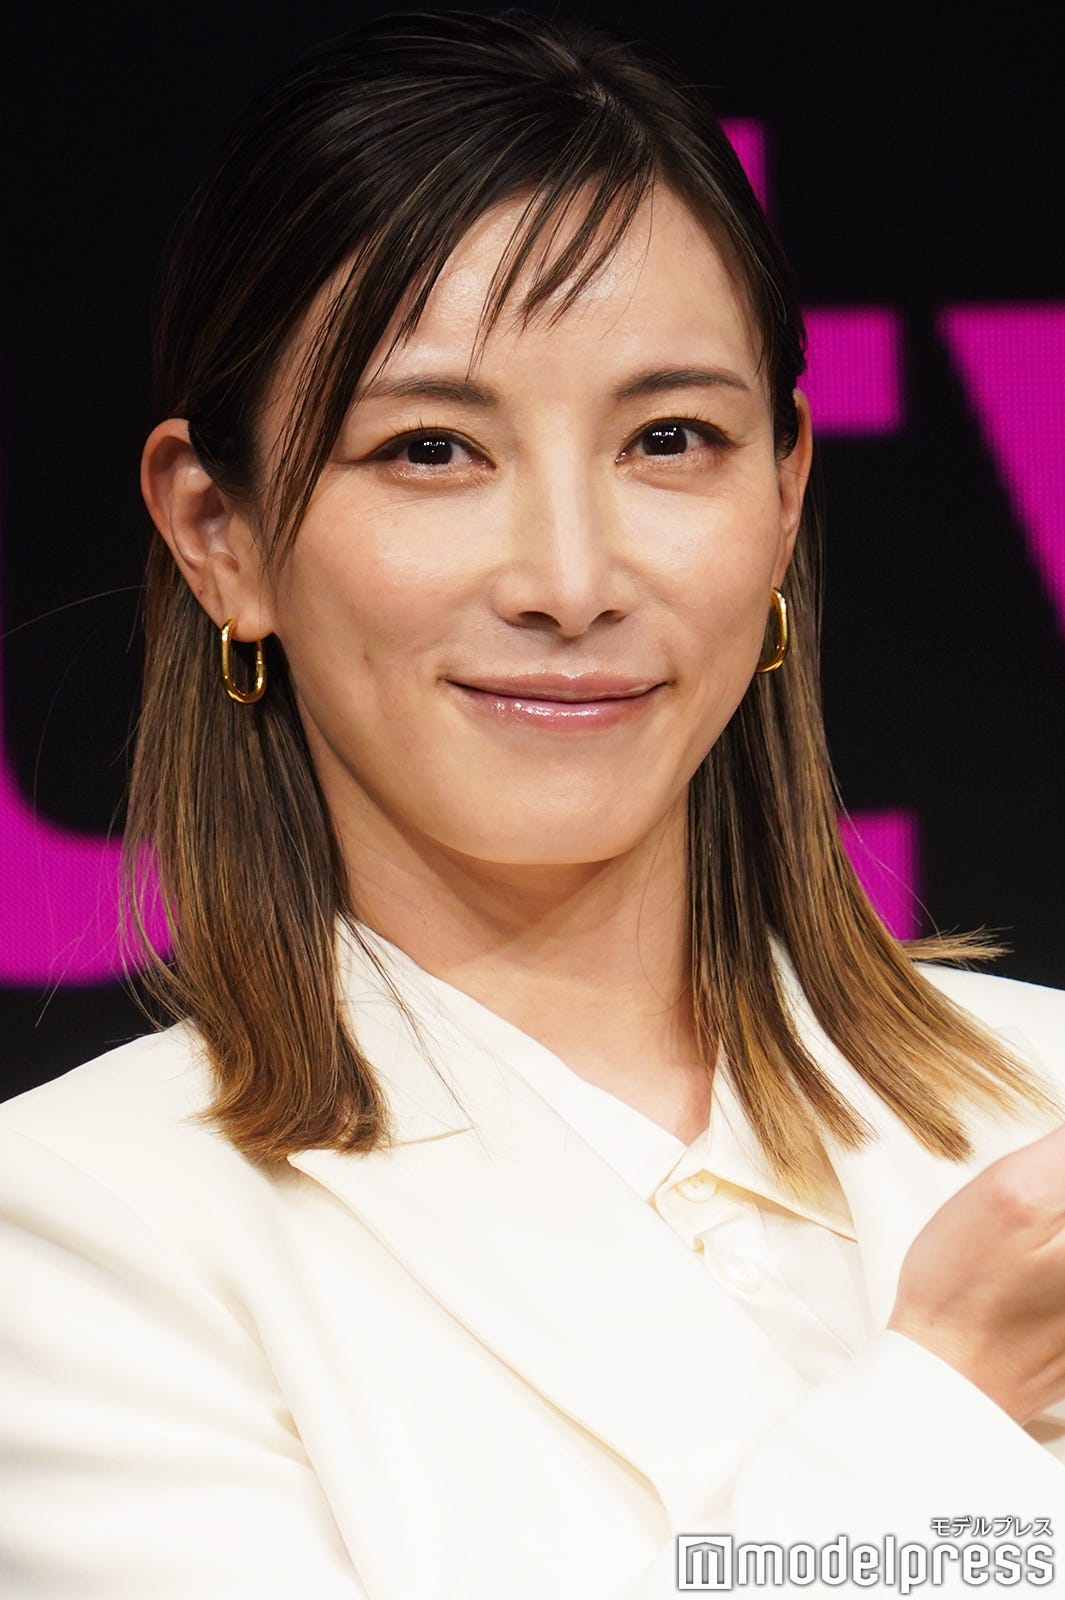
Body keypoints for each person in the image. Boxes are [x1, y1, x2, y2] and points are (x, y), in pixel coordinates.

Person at [1, 9, 1064, 1597]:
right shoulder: (78, 1236)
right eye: (431, 448)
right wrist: (947, 1411)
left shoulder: (1043, 1102)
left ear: (783, 495)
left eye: (669, 440)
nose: (570, 578)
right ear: (220, 534)